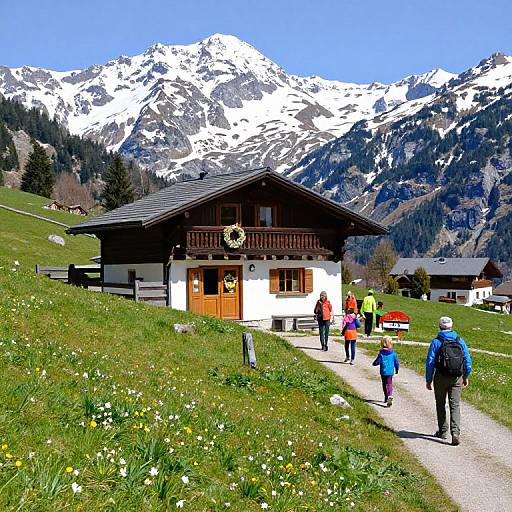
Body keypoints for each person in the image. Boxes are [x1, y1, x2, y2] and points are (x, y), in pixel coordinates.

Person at [425, 316, 472, 446]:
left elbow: (430, 362)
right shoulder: (460, 340)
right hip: (457, 377)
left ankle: (443, 431)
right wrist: (465, 376)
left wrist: (429, 380)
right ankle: (455, 433)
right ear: (451, 327)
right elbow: (468, 361)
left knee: (440, 404)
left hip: (440, 377)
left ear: (440, 327)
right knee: (454, 405)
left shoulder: (436, 342)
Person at [372, 336, 400, 406]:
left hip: (383, 372)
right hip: (390, 372)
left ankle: (386, 397)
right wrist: (397, 369)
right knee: (389, 384)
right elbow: (396, 362)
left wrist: (374, 363)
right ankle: (390, 395)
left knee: (384, 384)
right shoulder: (393, 353)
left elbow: (378, 361)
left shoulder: (381, 353)